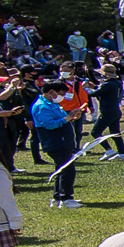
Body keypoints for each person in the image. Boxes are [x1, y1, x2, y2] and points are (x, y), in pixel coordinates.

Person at [29, 80, 79, 209]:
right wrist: (68, 118)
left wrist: (71, 117)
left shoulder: (52, 104)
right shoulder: (42, 106)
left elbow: (60, 119)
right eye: (61, 94)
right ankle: (66, 198)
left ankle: (57, 197)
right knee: (68, 170)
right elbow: (49, 124)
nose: (61, 97)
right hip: (56, 142)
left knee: (61, 169)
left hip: (63, 142)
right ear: (51, 92)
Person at [91, 58, 124, 159]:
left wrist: (86, 88)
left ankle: (108, 149)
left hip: (107, 111)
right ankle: (121, 153)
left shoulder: (107, 84)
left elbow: (94, 94)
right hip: (115, 110)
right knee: (115, 133)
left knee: (95, 132)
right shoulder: (117, 83)